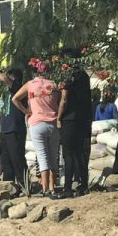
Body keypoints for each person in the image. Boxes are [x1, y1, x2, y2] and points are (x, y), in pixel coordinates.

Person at [13, 66, 61, 196]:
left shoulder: (30, 84)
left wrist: (26, 111)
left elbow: (15, 99)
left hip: (36, 123)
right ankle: (52, 187)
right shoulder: (54, 85)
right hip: (53, 123)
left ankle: (45, 189)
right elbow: (61, 101)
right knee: (54, 156)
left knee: (42, 156)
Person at [58, 66, 92, 197]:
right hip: (83, 119)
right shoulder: (84, 79)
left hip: (69, 119)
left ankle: (67, 187)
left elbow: (64, 99)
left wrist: (59, 117)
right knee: (80, 153)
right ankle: (84, 185)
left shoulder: (68, 79)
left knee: (68, 154)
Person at [0, 69, 27, 185]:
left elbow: (5, 79)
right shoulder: (5, 92)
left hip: (15, 129)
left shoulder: (19, 87)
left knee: (17, 158)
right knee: (6, 160)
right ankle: (9, 185)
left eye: (10, 77)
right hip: (5, 130)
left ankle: (23, 183)